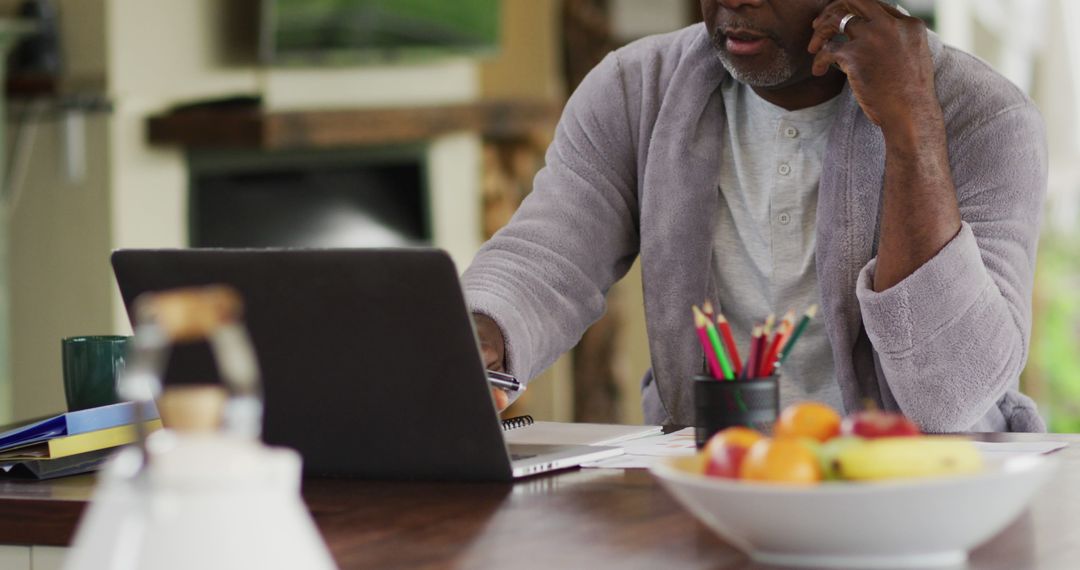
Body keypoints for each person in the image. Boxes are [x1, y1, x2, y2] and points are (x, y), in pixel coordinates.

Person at [463, 0, 1048, 432]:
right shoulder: (634, 89)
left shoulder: (985, 116)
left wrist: (911, 126)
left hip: (929, 501)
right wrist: (479, 338)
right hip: (714, 486)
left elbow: (952, 397)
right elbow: (548, 255)